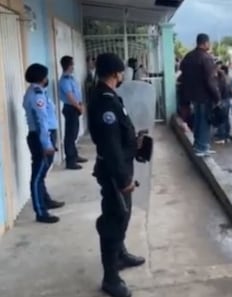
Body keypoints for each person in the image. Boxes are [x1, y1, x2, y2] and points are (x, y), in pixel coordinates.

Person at [88, 53, 146, 297]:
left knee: (122, 216)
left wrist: (135, 141)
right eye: (121, 72)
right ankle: (110, 278)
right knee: (113, 220)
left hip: (121, 167)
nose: (124, 76)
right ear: (115, 73)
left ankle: (119, 254)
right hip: (115, 173)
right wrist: (123, 180)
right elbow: (110, 146)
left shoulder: (110, 96)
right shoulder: (104, 102)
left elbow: (119, 138)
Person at [23, 64, 65, 224]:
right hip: (40, 137)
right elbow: (41, 121)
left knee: (42, 173)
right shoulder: (37, 95)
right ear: (41, 78)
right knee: (38, 175)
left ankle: (45, 200)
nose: (47, 79)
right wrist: (47, 143)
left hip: (43, 136)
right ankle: (40, 212)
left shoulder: (38, 93)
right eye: (46, 76)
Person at [180, 33, 221, 157]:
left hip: (191, 95)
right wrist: (217, 96)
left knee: (197, 120)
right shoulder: (206, 58)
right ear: (205, 43)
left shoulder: (188, 56)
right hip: (204, 95)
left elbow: (183, 72)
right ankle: (201, 147)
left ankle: (199, 145)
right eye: (209, 43)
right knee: (204, 121)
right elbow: (210, 80)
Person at [58, 55, 88, 170]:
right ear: (68, 65)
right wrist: (78, 106)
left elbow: (76, 94)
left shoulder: (70, 78)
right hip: (70, 108)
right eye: (72, 64)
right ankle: (70, 161)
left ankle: (75, 156)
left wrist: (80, 105)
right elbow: (70, 96)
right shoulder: (65, 80)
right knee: (70, 136)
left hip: (75, 107)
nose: (73, 66)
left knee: (74, 134)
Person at [215, 65, 232, 144]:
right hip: (228, 100)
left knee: (221, 120)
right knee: (226, 119)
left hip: (222, 101)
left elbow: (218, 93)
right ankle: (227, 135)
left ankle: (222, 137)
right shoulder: (229, 80)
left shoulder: (220, 82)